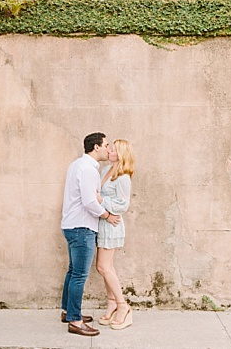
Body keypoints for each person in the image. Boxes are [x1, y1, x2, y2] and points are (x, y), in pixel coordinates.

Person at [60, 132, 121, 337]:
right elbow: (89, 201)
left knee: (72, 271)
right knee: (79, 275)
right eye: (106, 145)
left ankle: (68, 312)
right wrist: (107, 216)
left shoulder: (77, 165)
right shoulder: (88, 169)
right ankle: (75, 321)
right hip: (81, 227)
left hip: (72, 225)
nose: (108, 149)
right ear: (96, 147)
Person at [96, 138, 134, 330]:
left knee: (103, 267)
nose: (108, 150)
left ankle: (123, 306)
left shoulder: (123, 177)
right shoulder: (105, 170)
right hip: (103, 222)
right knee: (106, 266)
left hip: (112, 224)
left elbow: (123, 204)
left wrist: (102, 201)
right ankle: (111, 302)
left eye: (112, 148)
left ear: (120, 154)